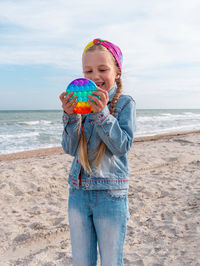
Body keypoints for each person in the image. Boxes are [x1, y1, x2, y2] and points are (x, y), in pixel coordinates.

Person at [59, 38, 136, 266]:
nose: (95, 76)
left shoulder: (124, 104)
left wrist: (101, 113)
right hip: (78, 193)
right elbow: (70, 148)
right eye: (88, 70)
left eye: (102, 69)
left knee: (112, 261)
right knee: (82, 261)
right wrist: (71, 116)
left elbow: (122, 146)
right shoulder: (80, 105)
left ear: (117, 72)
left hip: (111, 195)